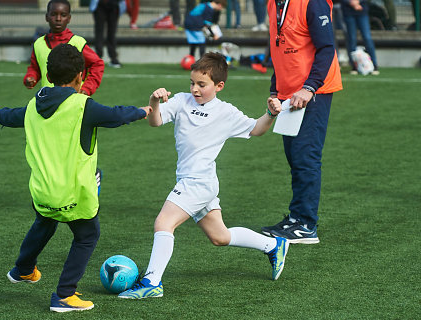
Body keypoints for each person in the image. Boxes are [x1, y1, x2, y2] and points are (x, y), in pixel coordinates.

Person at [0, 43, 151, 312]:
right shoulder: (82, 105)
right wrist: (143, 111)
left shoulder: (33, 106)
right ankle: (65, 295)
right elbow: (116, 115)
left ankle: (23, 269)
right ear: (80, 76)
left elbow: (11, 115)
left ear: (49, 77)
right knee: (87, 236)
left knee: (45, 221)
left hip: (41, 193)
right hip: (74, 196)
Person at [117, 52, 289, 300]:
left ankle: (151, 282)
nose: (195, 89)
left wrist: (271, 114)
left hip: (198, 183)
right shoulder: (181, 101)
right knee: (220, 237)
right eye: (192, 83)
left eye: (202, 84)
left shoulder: (226, 112)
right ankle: (273, 245)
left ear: (219, 86)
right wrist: (154, 102)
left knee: (163, 224)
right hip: (194, 181)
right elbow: (155, 121)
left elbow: (256, 129)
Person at [261, 0, 343, 244]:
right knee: (295, 156)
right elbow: (280, 47)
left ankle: (306, 224)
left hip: (312, 92)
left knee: (306, 156)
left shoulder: (312, 2)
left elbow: (327, 48)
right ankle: (296, 219)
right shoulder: (273, 4)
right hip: (289, 94)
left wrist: (309, 88)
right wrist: (275, 90)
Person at [24, 0, 104, 96]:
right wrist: (31, 77)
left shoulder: (78, 43)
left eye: (63, 15)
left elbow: (97, 64)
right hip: (48, 100)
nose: (58, 18)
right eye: (54, 14)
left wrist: (87, 88)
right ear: (47, 17)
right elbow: (35, 67)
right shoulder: (39, 43)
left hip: (74, 101)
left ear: (69, 18)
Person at [341, 0, 380, 75]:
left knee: (367, 38)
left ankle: (374, 65)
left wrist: (357, 2)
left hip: (362, 11)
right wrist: (351, 2)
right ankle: (354, 66)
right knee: (351, 39)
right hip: (348, 12)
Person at [90, 0, 122, 68]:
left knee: (111, 33)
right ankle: (98, 58)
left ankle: (113, 58)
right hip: (100, 5)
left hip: (114, 5)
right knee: (99, 32)